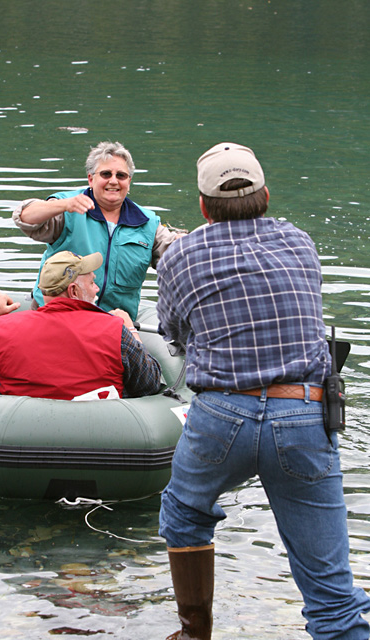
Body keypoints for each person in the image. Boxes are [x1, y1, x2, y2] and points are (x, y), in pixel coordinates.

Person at [156, 142, 370, 639]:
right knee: (331, 590)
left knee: (184, 513)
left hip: (220, 417)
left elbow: (174, 335)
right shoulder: (300, 242)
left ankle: (194, 632)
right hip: (303, 412)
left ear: (205, 207)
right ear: (267, 195)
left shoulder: (180, 255)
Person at [0, 251, 161, 400]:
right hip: (103, 440)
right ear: (74, 291)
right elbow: (149, 384)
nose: (96, 290)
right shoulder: (115, 331)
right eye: (93, 282)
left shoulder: (0, 329)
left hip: (17, 443)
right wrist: (130, 329)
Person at [12, 140, 186, 320]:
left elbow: (177, 257)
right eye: (106, 174)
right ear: (90, 178)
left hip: (110, 324)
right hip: (56, 318)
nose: (113, 181)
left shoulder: (148, 223)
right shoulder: (68, 208)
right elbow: (24, 217)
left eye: (121, 175)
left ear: (129, 181)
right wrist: (63, 205)